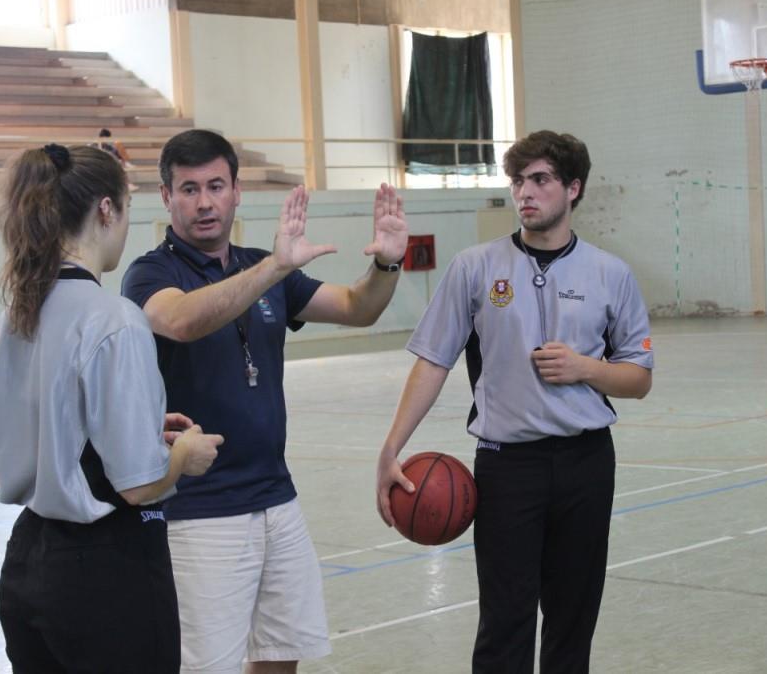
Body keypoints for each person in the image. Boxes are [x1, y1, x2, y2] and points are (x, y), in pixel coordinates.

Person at [120, 129, 408, 673]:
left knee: (280, 658)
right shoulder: (151, 274)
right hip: (198, 513)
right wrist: (273, 268)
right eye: (187, 189)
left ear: (235, 192)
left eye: (215, 186)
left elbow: (356, 307)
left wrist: (388, 264)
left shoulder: (263, 264)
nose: (204, 202)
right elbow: (181, 320)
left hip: (277, 498)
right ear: (165, 197)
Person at [375, 130, 654, 673]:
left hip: (586, 463)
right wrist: (392, 447)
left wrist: (584, 369)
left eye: (541, 180)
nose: (525, 192)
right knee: (505, 622)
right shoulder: (475, 267)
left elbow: (638, 378)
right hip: (507, 467)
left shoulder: (609, 273)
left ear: (573, 189)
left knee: (573, 621)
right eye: (518, 180)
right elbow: (433, 361)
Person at [0, 143, 223, 673]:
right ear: (106, 210)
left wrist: (131, 427)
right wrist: (183, 454)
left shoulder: (11, 319)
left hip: (26, 570)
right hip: (106, 577)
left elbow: (1, 472)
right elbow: (139, 486)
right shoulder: (114, 318)